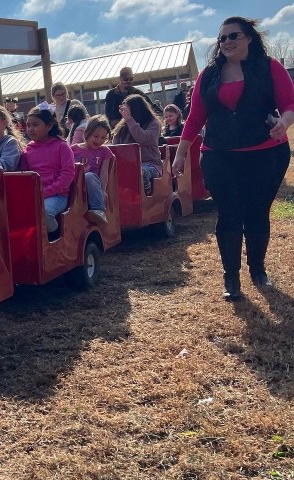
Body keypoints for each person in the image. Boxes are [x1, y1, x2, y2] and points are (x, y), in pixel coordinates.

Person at [172, 16, 294, 300]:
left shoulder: (269, 67)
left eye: (233, 36)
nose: (226, 42)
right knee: (228, 214)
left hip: (265, 153)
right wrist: (180, 154)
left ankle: (258, 270)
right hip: (218, 155)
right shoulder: (209, 74)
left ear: (249, 38)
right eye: (222, 38)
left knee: (256, 212)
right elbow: (194, 118)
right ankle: (231, 278)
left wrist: (285, 122)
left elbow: (289, 103)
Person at [20, 102, 76, 241]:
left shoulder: (61, 146)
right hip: (35, 195)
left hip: (57, 195)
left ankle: (55, 239)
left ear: (49, 126)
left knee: (44, 213)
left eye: (36, 125)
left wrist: (48, 191)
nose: (31, 129)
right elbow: (24, 175)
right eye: (28, 125)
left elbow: (68, 174)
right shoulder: (27, 150)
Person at [112, 94, 163, 196]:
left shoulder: (153, 124)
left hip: (150, 164)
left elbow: (143, 139)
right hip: (127, 164)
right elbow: (115, 145)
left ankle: (145, 197)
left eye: (127, 110)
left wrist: (130, 120)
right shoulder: (123, 126)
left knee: (141, 172)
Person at [71, 115, 112, 225]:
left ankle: (99, 210)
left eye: (103, 138)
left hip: (93, 186)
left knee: (89, 176)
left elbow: (104, 172)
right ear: (87, 133)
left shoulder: (105, 151)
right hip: (76, 186)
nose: (99, 140)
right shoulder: (73, 149)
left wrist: (103, 191)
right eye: (96, 136)